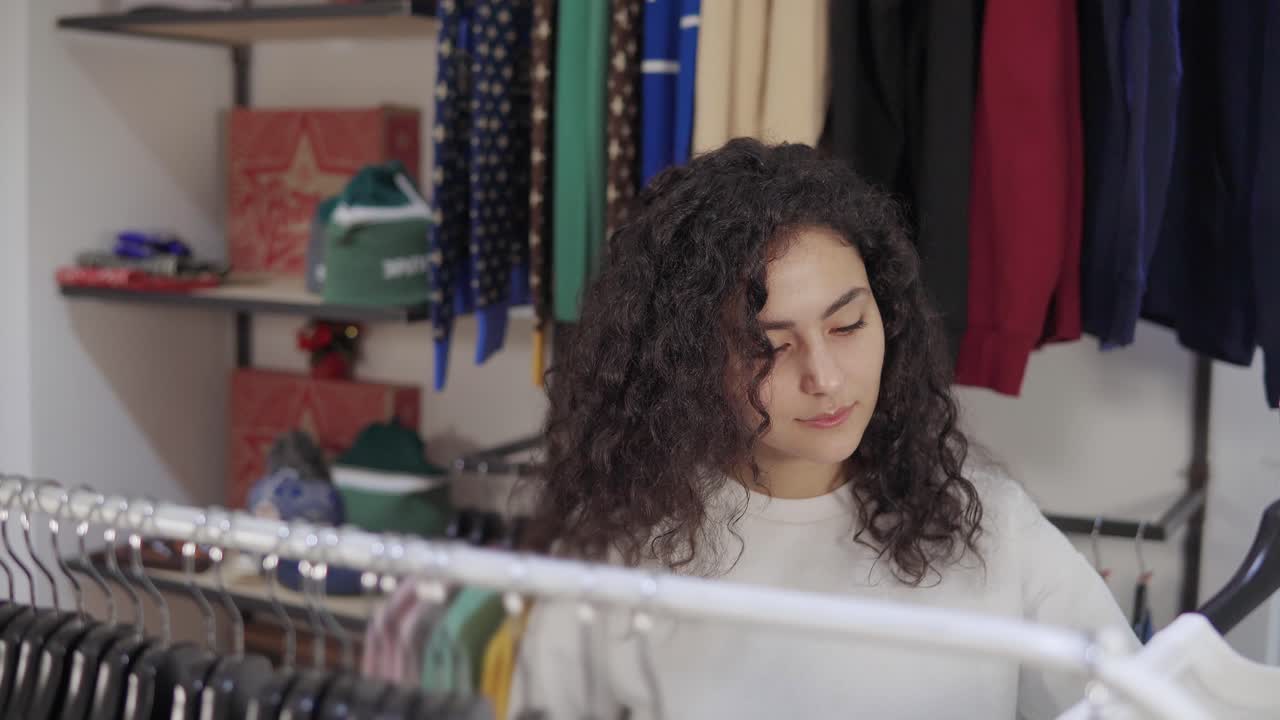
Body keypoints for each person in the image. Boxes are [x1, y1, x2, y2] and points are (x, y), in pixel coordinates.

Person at [514, 139, 1132, 719]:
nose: (826, 378)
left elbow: (1145, 701)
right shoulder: (616, 562)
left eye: (848, 326)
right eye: (769, 347)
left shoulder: (992, 529)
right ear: (691, 363)